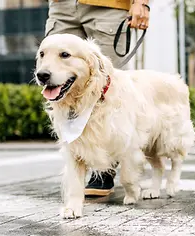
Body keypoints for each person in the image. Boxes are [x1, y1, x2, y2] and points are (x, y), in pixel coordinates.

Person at [44, 0, 150, 197]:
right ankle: (77, 165)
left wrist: (141, 2)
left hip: (108, 5)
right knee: (58, 82)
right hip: (61, 6)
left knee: (109, 86)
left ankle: (105, 167)